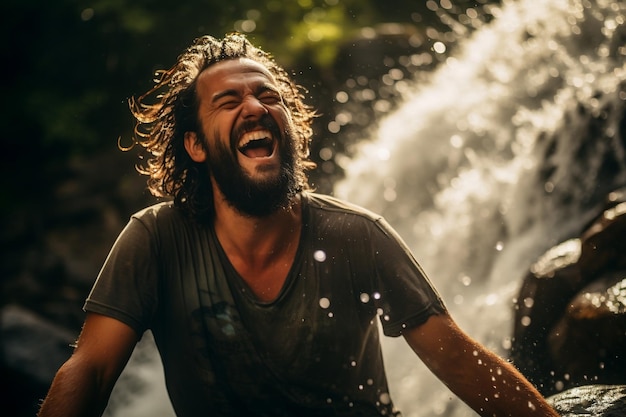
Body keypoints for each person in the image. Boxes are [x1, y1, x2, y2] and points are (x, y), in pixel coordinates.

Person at [38, 33, 559, 417]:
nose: (255, 107)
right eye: (228, 101)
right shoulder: (156, 240)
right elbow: (93, 368)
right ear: (194, 145)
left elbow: (458, 358)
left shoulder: (358, 236)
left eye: (269, 97)